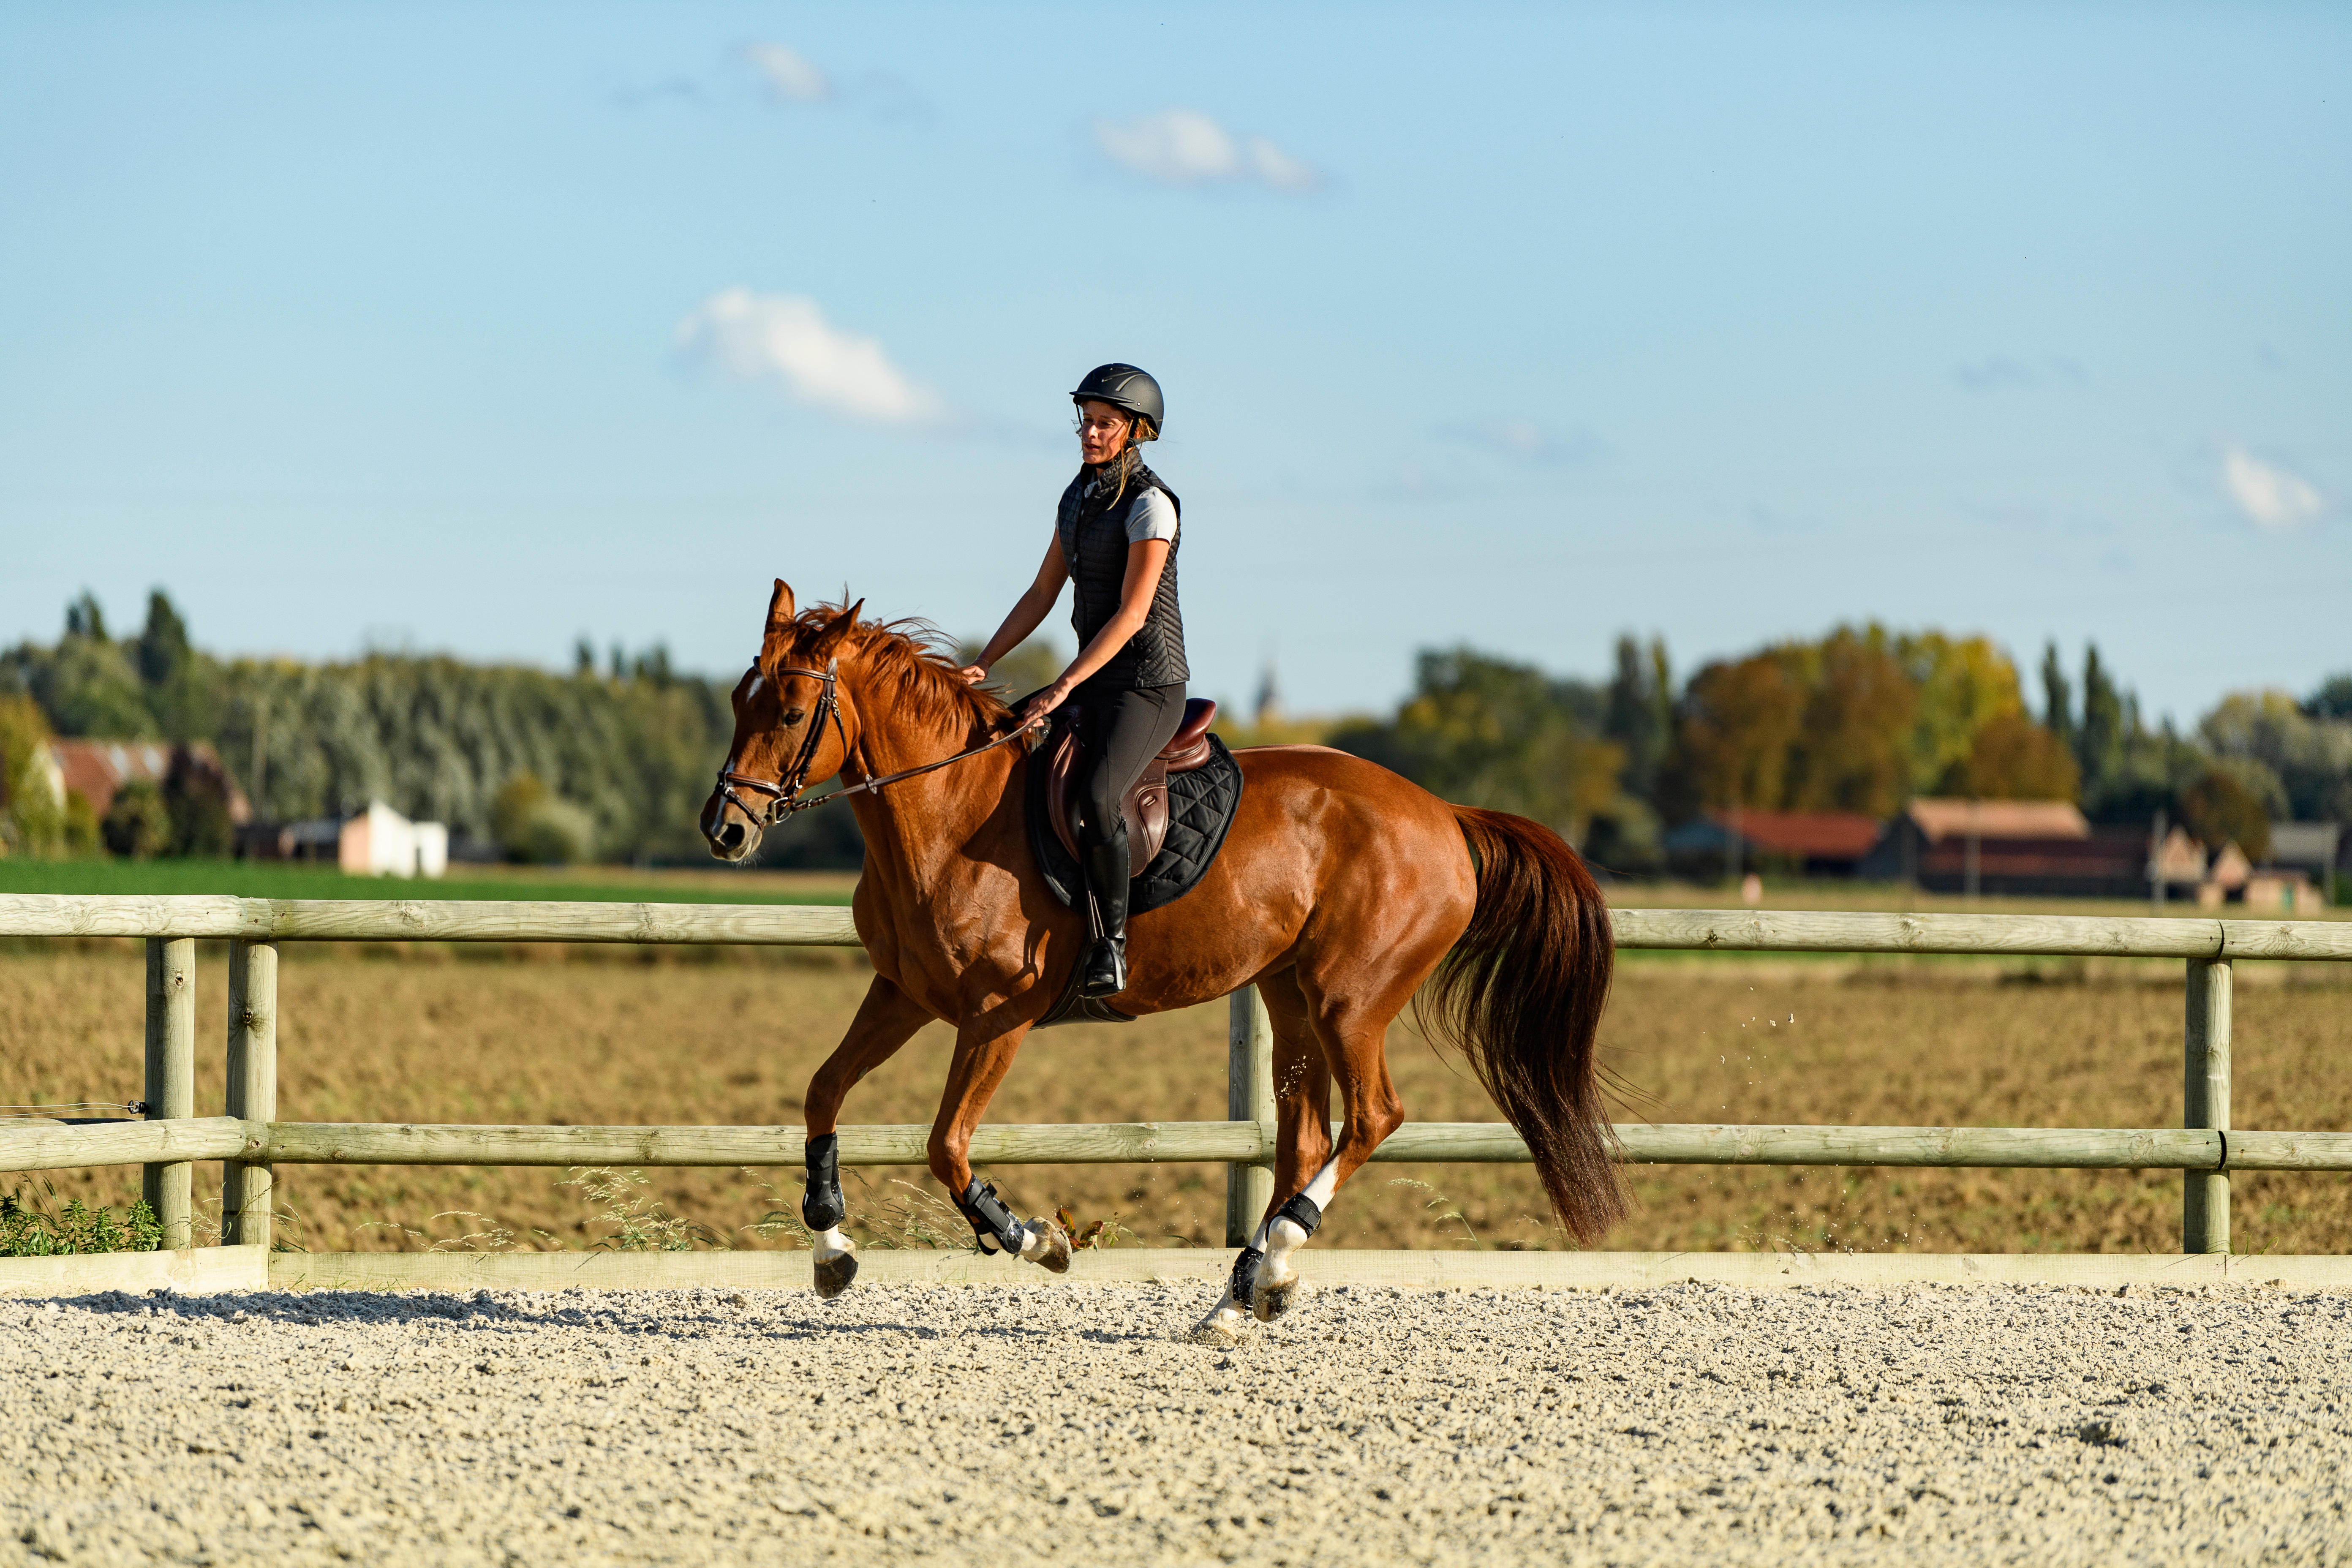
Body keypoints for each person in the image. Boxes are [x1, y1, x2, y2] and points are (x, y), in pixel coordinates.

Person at [960, 364, 1187, 998]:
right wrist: (987, 659)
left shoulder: (1151, 506)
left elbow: (1133, 615)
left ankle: (1109, 947)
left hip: (1147, 685)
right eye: (1084, 422)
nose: (1089, 433)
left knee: (1096, 799)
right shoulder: (1077, 498)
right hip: (1094, 680)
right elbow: (1041, 592)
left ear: (1136, 430)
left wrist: (1062, 685)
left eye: (1104, 424)